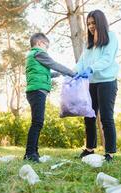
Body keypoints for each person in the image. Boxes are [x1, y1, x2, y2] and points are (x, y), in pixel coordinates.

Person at [24, 33, 76, 162]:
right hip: (37, 91)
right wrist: (71, 73)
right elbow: (53, 63)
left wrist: (56, 74)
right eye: (46, 46)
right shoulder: (39, 53)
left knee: (37, 122)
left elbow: (42, 71)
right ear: (40, 43)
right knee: (37, 122)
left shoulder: (33, 56)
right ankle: (30, 153)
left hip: (34, 90)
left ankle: (33, 152)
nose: (47, 49)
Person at [76, 10, 119, 162]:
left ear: (100, 22)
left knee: (106, 117)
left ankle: (110, 153)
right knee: (89, 116)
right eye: (88, 24)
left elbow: (107, 59)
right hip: (91, 83)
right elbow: (81, 62)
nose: (91, 26)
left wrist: (91, 69)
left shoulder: (110, 36)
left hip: (107, 81)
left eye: (93, 23)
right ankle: (89, 149)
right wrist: (74, 72)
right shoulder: (88, 44)